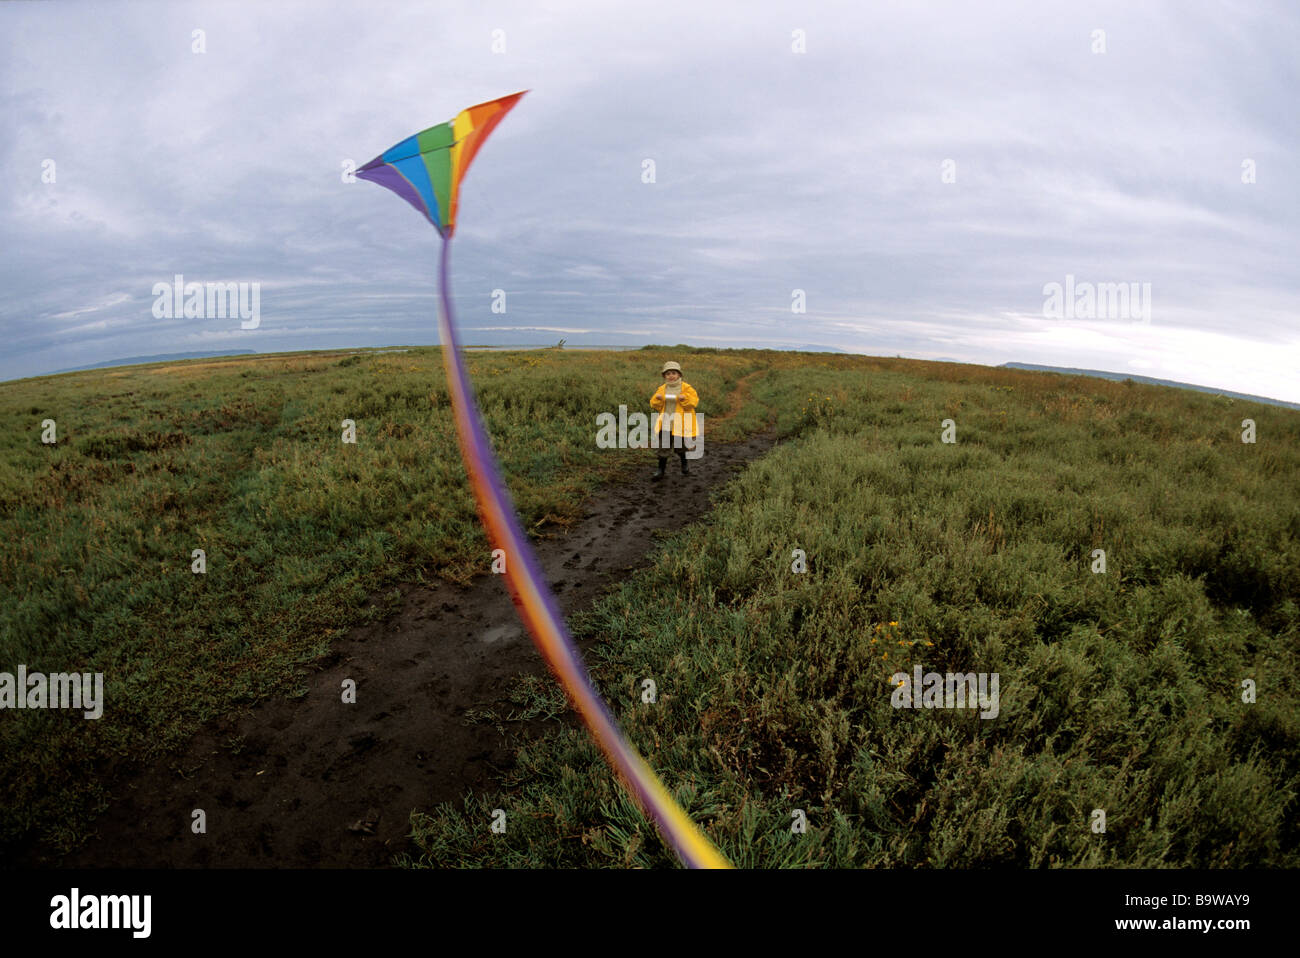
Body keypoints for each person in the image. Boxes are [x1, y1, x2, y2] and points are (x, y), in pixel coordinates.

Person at [649, 361, 699, 482]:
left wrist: (685, 398)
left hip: (680, 424)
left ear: (679, 375)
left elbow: (693, 403)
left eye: (674, 373)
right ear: (664, 376)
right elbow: (654, 404)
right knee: (663, 448)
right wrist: (658, 399)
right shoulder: (662, 389)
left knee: (680, 447)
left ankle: (684, 464)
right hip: (666, 424)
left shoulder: (686, 388)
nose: (671, 376)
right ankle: (660, 470)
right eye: (668, 374)